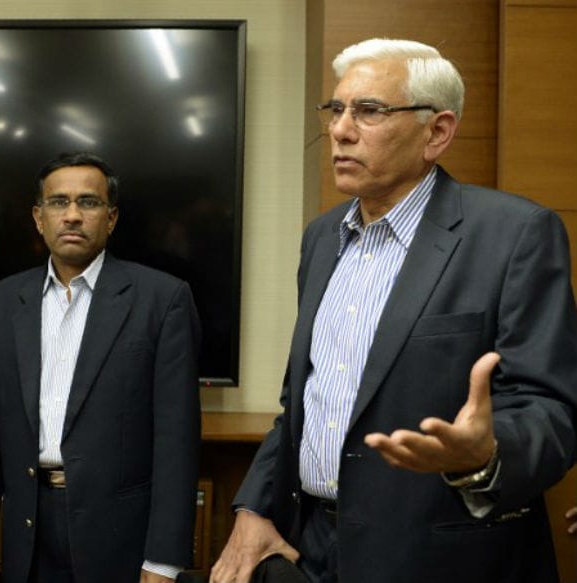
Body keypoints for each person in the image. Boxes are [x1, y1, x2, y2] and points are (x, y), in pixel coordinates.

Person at [209, 38, 577, 583]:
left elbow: (551, 407)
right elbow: (302, 401)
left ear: (437, 132)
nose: (340, 130)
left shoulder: (515, 234)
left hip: (440, 558)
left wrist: (487, 454)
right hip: (314, 548)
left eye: (369, 110)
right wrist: (255, 507)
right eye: (336, 109)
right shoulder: (322, 237)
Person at [0, 151, 201, 583]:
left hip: (120, 539)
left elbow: (176, 440)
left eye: (88, 202)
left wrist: (164, 559)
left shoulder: (162, 300)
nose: (72, 215)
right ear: (39, 218)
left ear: (111, 218)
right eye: (58, 202)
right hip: (28, 531)